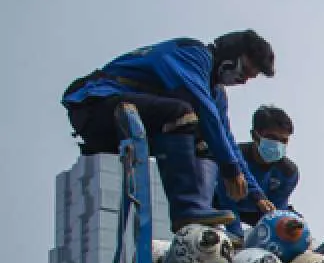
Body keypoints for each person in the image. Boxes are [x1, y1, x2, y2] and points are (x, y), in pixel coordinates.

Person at [62, 30, 275, 231]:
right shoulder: (191, 55)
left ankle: (199, 217)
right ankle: (186, 209)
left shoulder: (216, 93)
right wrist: (230, 168)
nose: (243, 80)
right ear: (231, 55)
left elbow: (226, 140)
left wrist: (257, 195)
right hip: (96, 106)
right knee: (182, 113)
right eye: (245, 70)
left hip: (132, 122)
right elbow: (206, 112)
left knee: (205, 139)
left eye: (250, 77)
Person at [215, 105, 300, 237]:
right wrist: (237, 236)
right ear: (255, 135)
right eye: (272, 137)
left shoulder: (288, 172)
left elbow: (276, 211)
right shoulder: (232, 158)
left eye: (283, 140)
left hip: (259, 213)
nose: (277, 144)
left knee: (295, 228)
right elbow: (227, 200)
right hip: (221, 205)